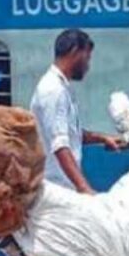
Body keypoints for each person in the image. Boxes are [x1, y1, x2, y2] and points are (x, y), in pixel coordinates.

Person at [31, 29, 120, 194]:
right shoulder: (53, 90)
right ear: (74, 52)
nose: (88, 65)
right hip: (56, 190)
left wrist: (103, 138)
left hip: (64, 188)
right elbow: (60, 144)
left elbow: (71, 133)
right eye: (87, 57)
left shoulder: (62, 87)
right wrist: (84, 188)